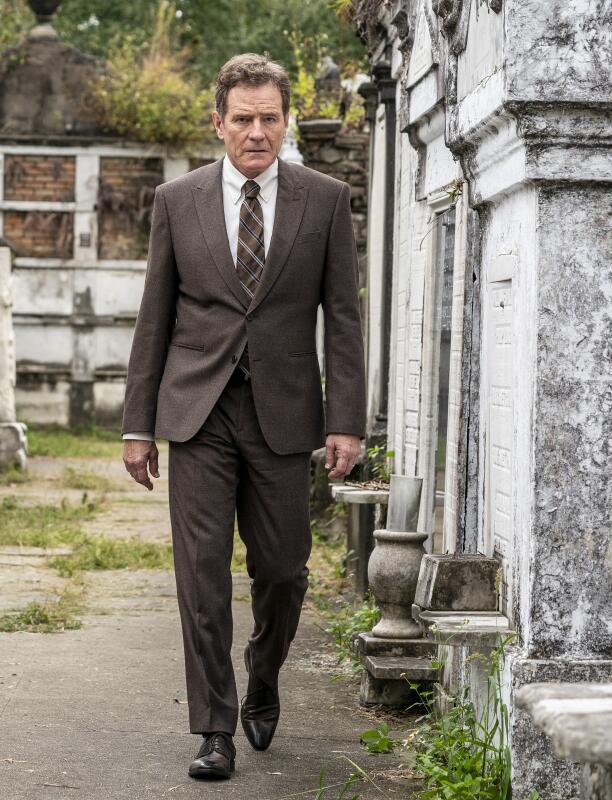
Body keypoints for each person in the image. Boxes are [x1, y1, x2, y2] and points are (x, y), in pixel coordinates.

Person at [120, 53, 365, 781]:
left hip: (285, 417)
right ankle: (215, 729)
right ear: (218, 122)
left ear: (285, 121)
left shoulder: (325, 200)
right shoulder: (177, 200)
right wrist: (138, 425)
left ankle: (264, 672)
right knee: (200, 575)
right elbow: (154, 319)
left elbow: (344, 321)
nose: (256, 132)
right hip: (197, 412)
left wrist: (345, 420)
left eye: (269, 118)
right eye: (243, 119)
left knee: (285, 570)